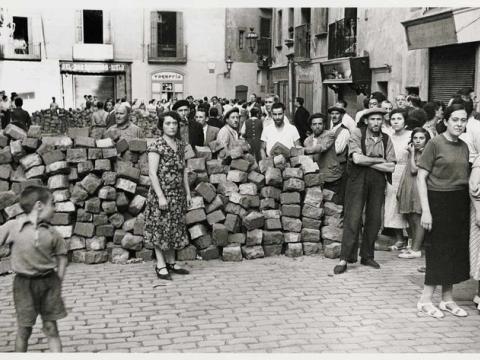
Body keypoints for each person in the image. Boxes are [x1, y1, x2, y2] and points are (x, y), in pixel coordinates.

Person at [416, 103, 470, 318]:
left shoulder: (464, 146)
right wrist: (426, 211)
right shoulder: (434, 144)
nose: (459, 124)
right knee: (438, 251)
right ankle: (425, 299)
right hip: (438, 201)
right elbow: (421, 177)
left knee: (454, 251)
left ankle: (447, 299)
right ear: (445, 121)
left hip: (459, 202)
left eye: (463, 120)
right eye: (455, 119)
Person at [0, 186, 68, 352]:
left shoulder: (52, 232)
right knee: (24, 329)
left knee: (51, 327)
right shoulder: (13, 227)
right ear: (39, 205)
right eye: (52, 204)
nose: (55, 208)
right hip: (23, 286)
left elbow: (62, 256)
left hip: (48, 284)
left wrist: (58, 279)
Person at [333, 108, 396, 274]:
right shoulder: (357, 133)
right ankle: (344, 258)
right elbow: (356, 159)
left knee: (374, 218)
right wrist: (378, 160)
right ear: (367, 121)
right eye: (373, 119)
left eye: (379, 119)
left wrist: (369, 162)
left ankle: (367, 256)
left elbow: (391, 165)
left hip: (378, 181)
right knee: (352, 218)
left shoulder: (386, 138)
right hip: (357, 179)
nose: (376, 122)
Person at [144, 111, 191, 281]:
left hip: (177, 194)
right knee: (160, 228)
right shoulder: (156, 145)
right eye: (168, 123)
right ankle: (160, 264)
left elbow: (184, 170)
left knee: (174, 228)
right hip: (161, 194)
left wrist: (187, 193)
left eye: (174, 124)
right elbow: (152, 173)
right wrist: (161, 196)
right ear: (161, 126)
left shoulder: (180, 144)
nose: (172, 127)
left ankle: (171, 262)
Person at [397, 127, 431, 259]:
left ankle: (416, 249)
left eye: (421, 138)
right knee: (411, 216)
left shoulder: (426, 152)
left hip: (418, 187)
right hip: (410, 186)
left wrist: (411, 153)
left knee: (417, 217)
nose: (417, 141)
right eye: (415, 138)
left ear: (427, 140)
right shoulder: (416, 151)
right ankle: (413, 247)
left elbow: (414, 170)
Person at [382, 109, 411, 251]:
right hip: (392, 172)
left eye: (399, 118)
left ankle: (412, 239)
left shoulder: (411, 135)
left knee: (408, 205)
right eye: (393, 119)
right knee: (393, 206)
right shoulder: (388, 137)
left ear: (405, 121)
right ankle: (399, 239)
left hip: (409, 171)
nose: (396, 121)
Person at [303, 113, 339, 184]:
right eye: (314, 124)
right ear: (311, 126)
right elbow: (309, 159)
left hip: (330, 177)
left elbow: (321, 147)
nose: (317, 126)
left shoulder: (329, 135)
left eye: (320, 124)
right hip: (316, 178)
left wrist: (302, 150)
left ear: (324, 125)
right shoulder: (307, 140)